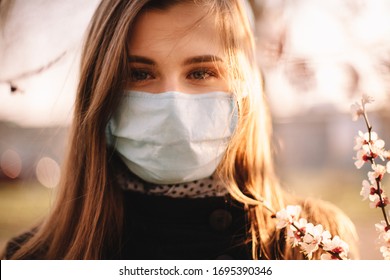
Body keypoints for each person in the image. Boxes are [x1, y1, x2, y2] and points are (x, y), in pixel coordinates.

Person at [2, 0, 359, 260]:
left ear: (242, 88)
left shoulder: (315, 244)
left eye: (201, 72)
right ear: (100, 95)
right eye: (140, 74)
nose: (172, 104)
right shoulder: (33, 260)